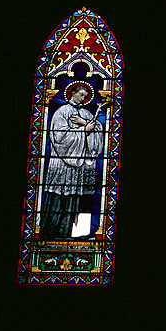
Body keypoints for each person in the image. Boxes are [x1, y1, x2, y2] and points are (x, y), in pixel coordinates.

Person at [40, 84, 103, 239]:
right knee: (60, 199)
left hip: (81, 168)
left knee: (79, 200)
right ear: (72, 93)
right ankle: (53, 234)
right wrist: (83, 130)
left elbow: (97, 134)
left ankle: (77, 234)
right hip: (63, 166)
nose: (83, 98)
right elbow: (59, 138)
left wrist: (87, 126)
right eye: (81, 94)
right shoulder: (62, 112)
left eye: (86, 96)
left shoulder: (87, 114)